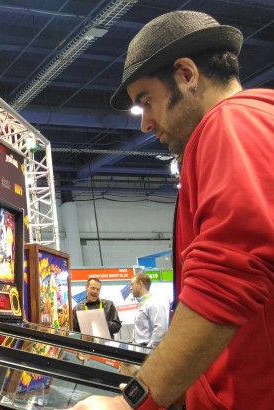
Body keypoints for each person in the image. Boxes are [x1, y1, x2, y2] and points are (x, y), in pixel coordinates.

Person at [73, 11, 274, 410]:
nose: (145, 124)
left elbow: (226, 279)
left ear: (186, 74)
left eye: (147, 101)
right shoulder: (259, 117)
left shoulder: (230, 122)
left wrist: (131, 403)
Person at [130, 273, 167, 348]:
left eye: (132, 284)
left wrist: (149, 350)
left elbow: (160, 329)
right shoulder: (142, 304)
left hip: (147, 350)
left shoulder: (154, 303)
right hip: (140, 349)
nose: (130, 288)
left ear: (140, 285)